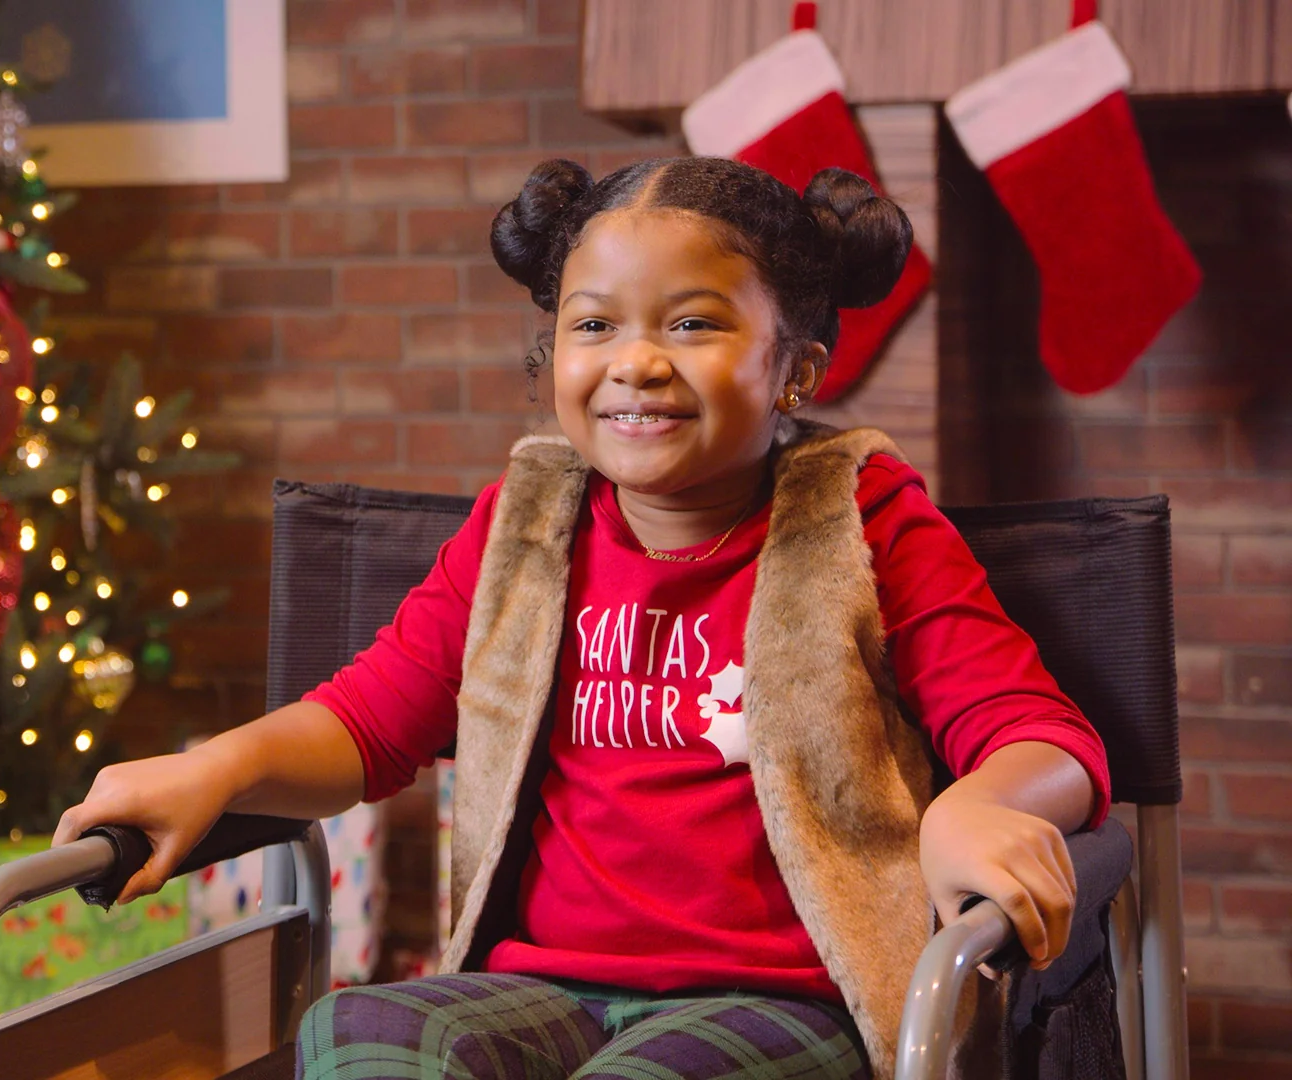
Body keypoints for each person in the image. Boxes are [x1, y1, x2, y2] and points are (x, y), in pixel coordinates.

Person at [54, 156, 1110, 1080]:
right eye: (594, 324)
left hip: (783, 1003)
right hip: (545, 990)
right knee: (365, 1031)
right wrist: (218, 768)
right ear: (550, 358)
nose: (636, 362)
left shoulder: (864, 518)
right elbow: (375, 722)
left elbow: (1045, 737)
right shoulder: (527, 525)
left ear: (796, 369)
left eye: (693, 323)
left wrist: (974, 807)